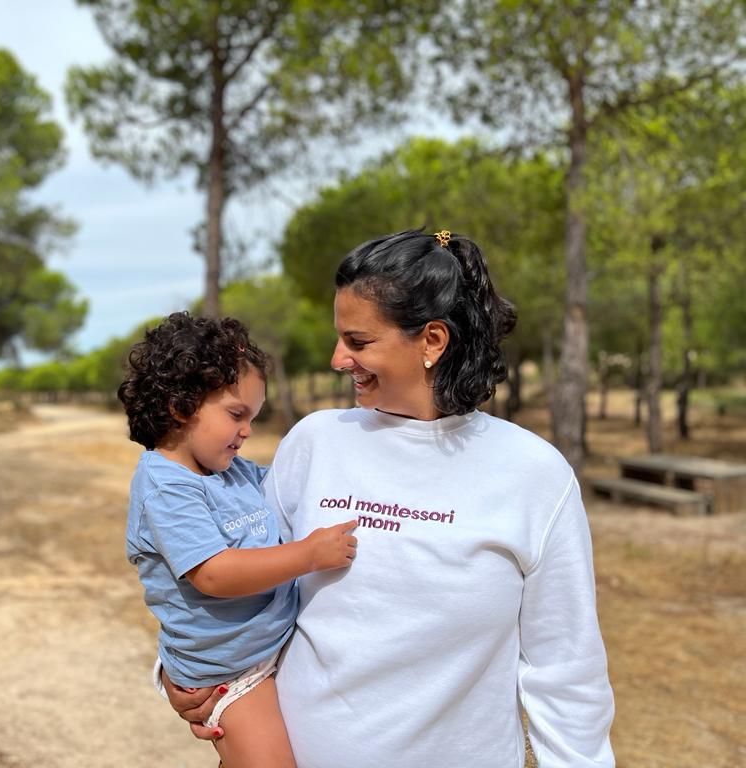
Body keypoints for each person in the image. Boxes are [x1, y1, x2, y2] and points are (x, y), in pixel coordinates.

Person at [161, 229, 615, 767]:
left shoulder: (533, 474)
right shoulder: (313, 442)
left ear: (432, 342)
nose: (337, 358)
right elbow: (227, 570)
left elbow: (565, 668)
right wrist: (180, 672)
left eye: (358, 341)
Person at [120, 312, 358, 768]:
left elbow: (293, 493)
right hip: (231, 672)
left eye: (253, 417)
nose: (247, 430)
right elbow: (214, 573)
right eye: (237, 414)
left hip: (269, 650)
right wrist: (309, 555)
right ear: (181, 406)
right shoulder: (166, 484)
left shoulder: (234, 473)